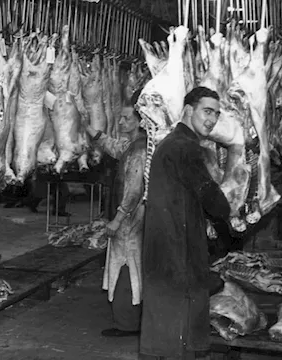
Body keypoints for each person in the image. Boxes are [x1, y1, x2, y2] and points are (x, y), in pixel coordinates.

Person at [140, 87, 231, 360]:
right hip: (176, 251)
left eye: (216, 113)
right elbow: (209, 194)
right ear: (189, 110)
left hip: (167, 246)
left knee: (166, 328)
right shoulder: (184, 147)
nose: (212, 119)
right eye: (207, 111)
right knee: (178, 334)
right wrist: (227, 212)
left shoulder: (173, 143)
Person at [90, 90, 147, 337]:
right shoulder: (130, 145)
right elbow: (112, 145)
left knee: (126, 264)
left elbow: (134, 189)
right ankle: (128, 318)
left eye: (126, 118)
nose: (121, 122)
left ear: (139, 121)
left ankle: (127, 323)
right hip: (130, 217)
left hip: (130, 218)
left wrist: (117, 218)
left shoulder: (139, 151)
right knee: (125, 262)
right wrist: (88, 128)